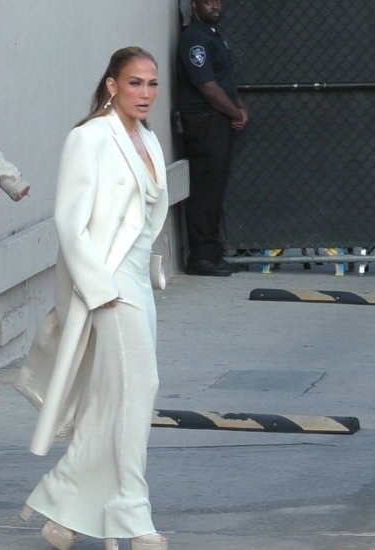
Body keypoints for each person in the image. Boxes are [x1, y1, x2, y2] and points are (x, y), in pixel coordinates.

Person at [16, 47, 169, 550]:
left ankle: (63, 507)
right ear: (111, 86)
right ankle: (131, 513)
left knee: (115, 398)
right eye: (134, 83)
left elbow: (146, 223)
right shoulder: (89, 139)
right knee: (139, 385)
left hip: (138, 285)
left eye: (151, 84)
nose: (144, 94)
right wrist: (100, 291)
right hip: (107, 286)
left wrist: (152, 272)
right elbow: (69, 222)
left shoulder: (147, 138)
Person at [177, 0, 248, 276]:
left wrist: (239, 107)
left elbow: (224, 80)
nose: (215, 6)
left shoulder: (211, 36)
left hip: (217, 121)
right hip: (205, 123)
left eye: (219, 1)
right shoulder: (194, 38)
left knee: (214, 189)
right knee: (205, 191)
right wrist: (236, 113)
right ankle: (202, 257)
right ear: (194, 5)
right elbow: (207, 86)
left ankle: (212, 252)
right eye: (208, 1)